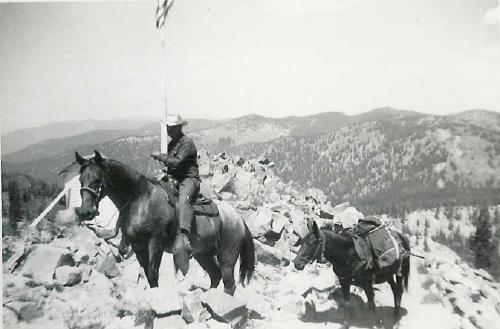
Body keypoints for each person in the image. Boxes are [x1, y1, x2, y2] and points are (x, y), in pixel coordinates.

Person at [151, 113, 200, 275]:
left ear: (179, 128)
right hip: (175, 178)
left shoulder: (187, 143)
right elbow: (173, 164)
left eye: (171, 128)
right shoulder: (174, 143)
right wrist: (166, 166)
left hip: (188, 179)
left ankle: (184, 235)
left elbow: (177, 162)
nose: (169, 131)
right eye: (168, 128)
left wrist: (161, 157)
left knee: (184, 199)